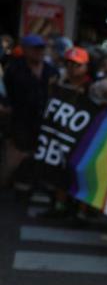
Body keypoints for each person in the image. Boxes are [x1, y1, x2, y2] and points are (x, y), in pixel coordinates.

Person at [2, 34, 57, 188]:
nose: (39, 52)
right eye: (35, 49)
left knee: (38, 155)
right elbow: (6, 93)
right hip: (20, 121)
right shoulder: (14, 69)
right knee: (16, 155)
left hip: (44, 122)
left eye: (41, 48)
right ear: (25, 49)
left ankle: (31, 184)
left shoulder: (51, 70)